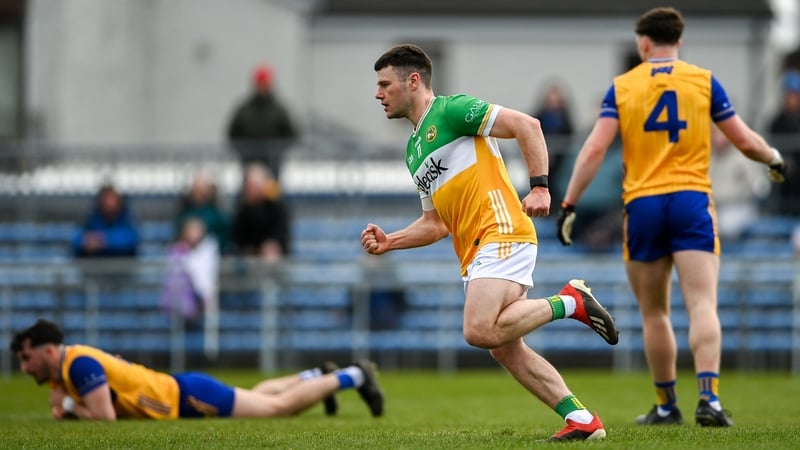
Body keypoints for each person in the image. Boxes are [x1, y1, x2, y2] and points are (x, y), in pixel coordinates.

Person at [364, 43, 619, 442]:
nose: (378, 94)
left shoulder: (450, 111)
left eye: (384, 84)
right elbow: (436, 224)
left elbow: (528, 126)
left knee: (479, 330)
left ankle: (571, 301)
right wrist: (390, 241)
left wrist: (539, 188)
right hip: (477, 249)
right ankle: (583, 420)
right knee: (503, 347)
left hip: (502, 230)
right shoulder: (413, 150)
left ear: (413, 81)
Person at [556, 7, 787, 428]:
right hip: (691, 200)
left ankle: (666, 406)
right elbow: (743, 140)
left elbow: (592, 150)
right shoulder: (702, 80)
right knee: (702, 304)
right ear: (678, 42)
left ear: (643, 44)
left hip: (643, 204)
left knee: (654, 312)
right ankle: (710, 400)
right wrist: (774, 159)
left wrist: (569, 203)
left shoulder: (623, 87)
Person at [10, 319, 384, 420]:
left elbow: (105, 418)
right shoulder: (70, 365)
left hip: (186, 397)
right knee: (261, 396)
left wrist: (72, 409)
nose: (24, 367)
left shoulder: (78, 365)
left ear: (47, 351)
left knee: (277, 408)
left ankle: (354, 375)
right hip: (181, 391)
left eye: (27, 359)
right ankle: (316, 375)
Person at [227, 64, 298, 181]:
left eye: (265, 84)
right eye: (260, 84)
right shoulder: (244, 109)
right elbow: (233, 134)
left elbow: (291, 134)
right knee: (250, 193)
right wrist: (245, 151)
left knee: (272, 193)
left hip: (272, 164)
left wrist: (276, 150)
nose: (262, 87)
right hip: (249, 164)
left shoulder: (279, 109)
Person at [709, 125, 770, 240]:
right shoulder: (708, 157)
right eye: (716, 135)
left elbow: (760, 186)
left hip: (740, 207)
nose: (719, 139)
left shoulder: (742, 156)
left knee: (725, 225)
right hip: (715, 207)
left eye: (722, 134)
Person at [232, 163, 291, 262]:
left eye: (256, 185)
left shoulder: (277, 209)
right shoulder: (242, 210)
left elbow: (281, 234)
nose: (253, 189)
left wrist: (273, 245)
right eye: (250, 185)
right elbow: (239, 237)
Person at [72, 183, 139, 257]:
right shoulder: (91, 220)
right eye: (106, 199)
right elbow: (76, 239)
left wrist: (102, 240)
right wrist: (85, 242)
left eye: (112, 199)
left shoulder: (127, 219)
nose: (109, 204)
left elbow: (131, 240)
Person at [766, 70, 800, 216]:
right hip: (782, 183)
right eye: (788, 94)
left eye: (794, 94)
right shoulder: (777, 121)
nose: (790, 99)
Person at [173, 170, 231, 253]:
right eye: (196, 187)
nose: (198, 191)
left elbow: (224, 237)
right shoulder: (185, 213)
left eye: (202, 188)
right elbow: (177, 234)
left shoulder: (217, 215)